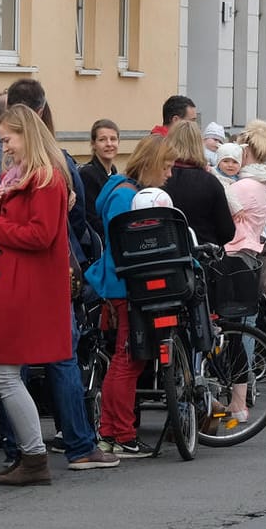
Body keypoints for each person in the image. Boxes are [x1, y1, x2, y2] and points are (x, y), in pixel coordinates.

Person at [0, 105, 77, 486]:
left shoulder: (45, 179)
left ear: (27, 135)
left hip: (25, 287)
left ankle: (34, 457)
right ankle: (30, 456)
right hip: (16, 283)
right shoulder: (26, 177)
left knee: (4, 373)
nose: (5, 147)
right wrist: (1, 210)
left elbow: (40, 235)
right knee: (6, 373)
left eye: (8, 139)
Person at [86, 134, 177, 458]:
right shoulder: (128, 198)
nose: (169, 174)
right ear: (152, 165)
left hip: (119, 284)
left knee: (126, 360)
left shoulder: (120, 190)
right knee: (128, 360)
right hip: (128, 286)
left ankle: (111, 433)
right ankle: (120, 434)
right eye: (166, 167)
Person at [219, 123, 266, 421]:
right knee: (245, 326)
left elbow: (220, 204)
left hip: (235, 257)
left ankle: (239, 397)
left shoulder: (242, 187)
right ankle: (242, 393)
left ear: (249, 150)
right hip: (250, 255)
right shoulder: (261, 183)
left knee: (238, 331)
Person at [164, 121, 237, 246]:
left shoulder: (160, 178)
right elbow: (227, 232)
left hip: (167, 255)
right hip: (204, 255)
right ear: (199, 144)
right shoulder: (210, 182)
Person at [80, 118, 119, 238]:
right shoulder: (88, 174)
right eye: (102, 140)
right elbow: (91, 218)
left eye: (113, 139)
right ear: (93, 143)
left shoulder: (113, 171)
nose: (109, 144)